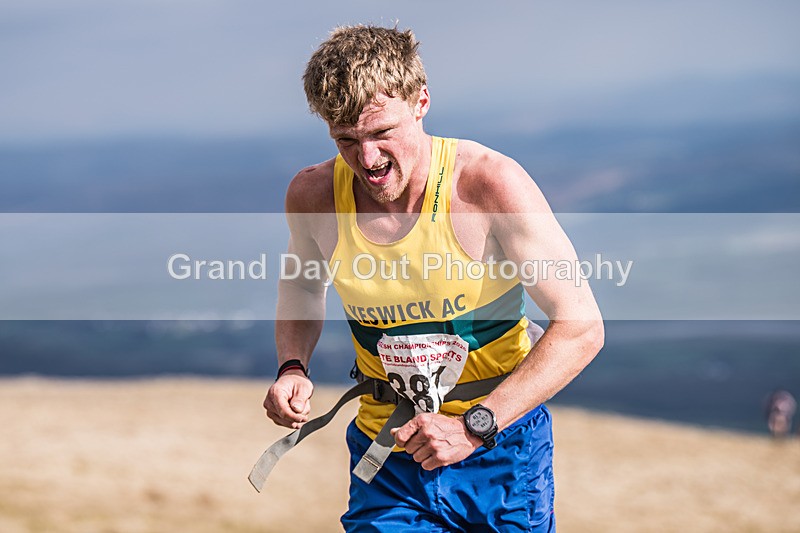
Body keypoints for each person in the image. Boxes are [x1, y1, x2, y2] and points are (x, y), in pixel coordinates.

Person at [261, 25, 604, 532]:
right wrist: (293, 366)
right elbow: (303, 285)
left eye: (382, 133)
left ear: (421, 102)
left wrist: (472, 428)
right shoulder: (313, 196)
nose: (368, 160)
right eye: (347, 141)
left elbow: (581, 327)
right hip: (390, 456)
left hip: (501, 450)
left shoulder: (488, 185)